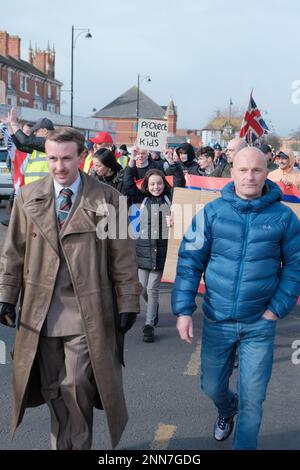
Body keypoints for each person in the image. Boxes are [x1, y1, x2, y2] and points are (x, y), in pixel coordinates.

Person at [0, 127, 142, 450]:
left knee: (76, 384)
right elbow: (12, 254)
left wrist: (128, 301)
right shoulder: (26, 197)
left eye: (66, 158)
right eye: (52, 158)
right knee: (53, 387)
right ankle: (62, 444)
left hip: (88, 312)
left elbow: (122, 257)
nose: (59, 166)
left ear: (82, 156)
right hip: (41, 313)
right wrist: (6, 297)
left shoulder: (109, 200)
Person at [171, 147, 300, 450]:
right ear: (232, 173)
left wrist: (276, 310)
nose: (250, 176)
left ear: (266, 173)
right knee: (212, 385)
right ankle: (227, 409)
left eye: (256, 170)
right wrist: (183, 310)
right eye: (243, 170)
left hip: (260, 323)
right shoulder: (211, 214)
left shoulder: (283, 217)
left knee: (254, 399)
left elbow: (295, 265)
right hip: (217, 320)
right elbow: (190, 261)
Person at [123, 148, 185, 343]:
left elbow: (180, 182)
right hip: (142, 251)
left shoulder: (170, 198)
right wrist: (132, 162)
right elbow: (127, 184)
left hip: (161, 251)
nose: (156, 187)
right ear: (147, 186)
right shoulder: (142, 199)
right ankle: (153, 307)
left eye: (159, 183)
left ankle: (149, 324)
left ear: (163, 184)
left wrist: (171, 163)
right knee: (142, 288)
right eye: (152, 184)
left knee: (152, 288)